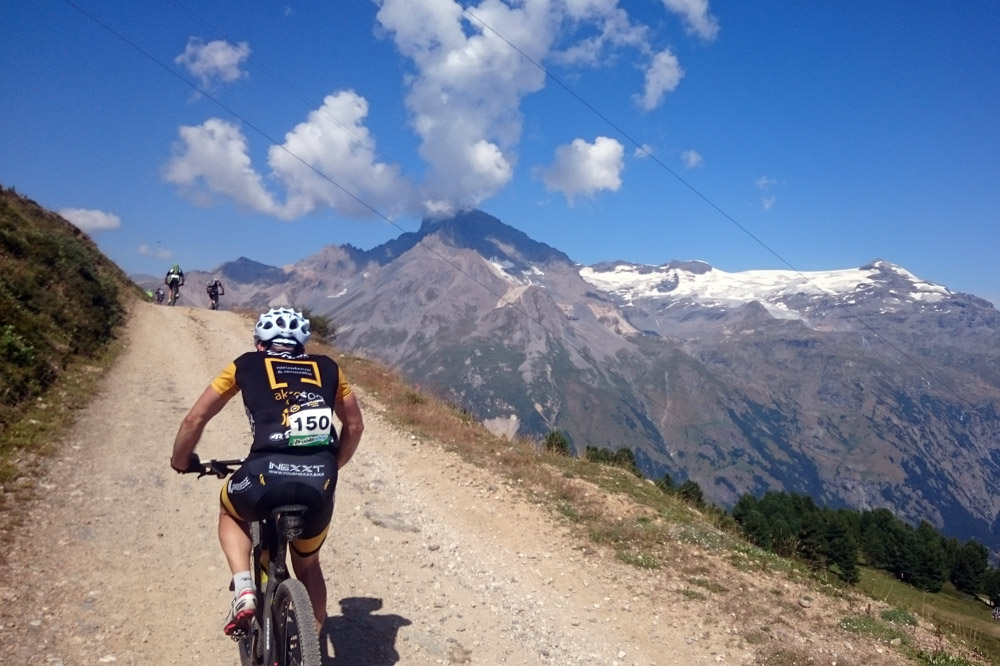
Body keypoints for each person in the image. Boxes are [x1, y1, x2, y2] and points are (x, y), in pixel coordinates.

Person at [170, 307, 364, 637]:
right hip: (319, 481)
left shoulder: (245, 364)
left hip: (264, 475)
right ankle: (310, 644)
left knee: (230, 510)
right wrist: (333, 465)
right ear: (302, 345)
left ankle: (245, 590)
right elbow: (355, 425)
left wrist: (181, 460)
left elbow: (194, 419)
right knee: (309, 565)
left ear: (260, 343)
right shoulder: (329, 368)